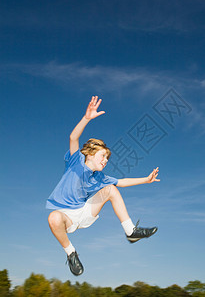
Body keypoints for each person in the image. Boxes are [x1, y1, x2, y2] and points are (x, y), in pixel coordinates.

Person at [46, 96, 159, 276]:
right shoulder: (75, 162)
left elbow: (121, 182)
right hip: (66, 216)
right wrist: (87, 118)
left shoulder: (99, 177)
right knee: (53, 218)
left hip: (85, 211)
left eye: (107, 158)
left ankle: (131, 232)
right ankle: (71, 254)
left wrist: (146, 179)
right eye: (103, 156)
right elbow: (73, 137)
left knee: (111, 189)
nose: (106, 161)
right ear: (89, 155)